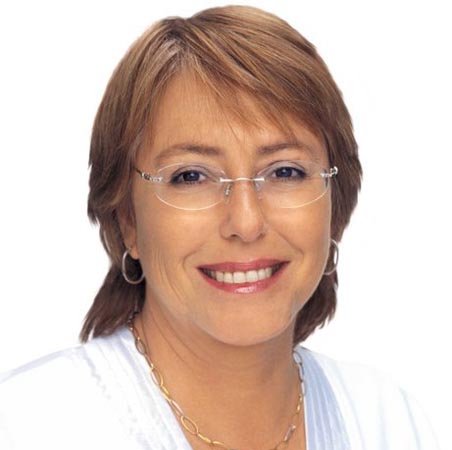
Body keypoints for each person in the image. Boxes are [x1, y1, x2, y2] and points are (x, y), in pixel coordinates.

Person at [0, 5, 440, 450]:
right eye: (191, 176)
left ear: (335, 204)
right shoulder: (29, 425)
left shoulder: (389, 422)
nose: (246, 222)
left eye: (285, 171)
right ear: (127, 218)